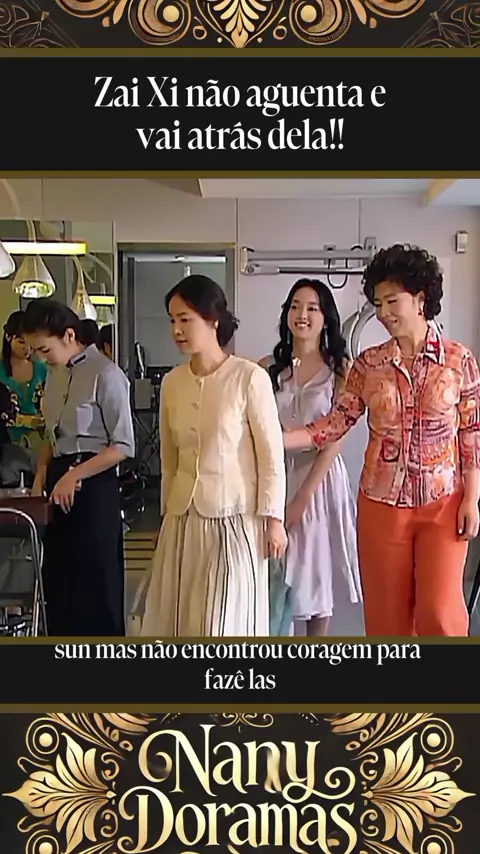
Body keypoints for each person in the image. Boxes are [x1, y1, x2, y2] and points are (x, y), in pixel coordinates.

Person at [283, 244, 480, 637]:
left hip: (442, 503)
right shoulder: (369, 364)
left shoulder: (459, 360)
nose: (384, 312)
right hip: (380, 505)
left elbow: (471, 433)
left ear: (421, 299)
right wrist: (280, 437)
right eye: (378, 303)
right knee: (387, 618)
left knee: (440, 614)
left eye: (393, 301)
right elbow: (335, 423)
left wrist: (472, 498)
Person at [132, 274, 287, 636]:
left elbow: (270, 455)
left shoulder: (249, 377)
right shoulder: (172, 383)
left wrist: (274, 520)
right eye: (173, 320)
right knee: (182, 621)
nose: (176, 330)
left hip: (235, 518)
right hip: (183, 520)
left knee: (222, 624)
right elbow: (169, 460)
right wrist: (164, 516)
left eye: (185, 319)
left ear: (213, 320)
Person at [22, 298, 136, 637]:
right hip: (57, 478)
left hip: (94, 481)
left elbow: (123, 445)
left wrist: (75, 474)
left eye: (45, 349)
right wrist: (41, 474)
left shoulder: (106, 374)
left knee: (95, 578)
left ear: (69, 335)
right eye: (35, 351)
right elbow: (50, 434)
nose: (41, 358)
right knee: (59, 577)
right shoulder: (54, 376)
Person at [260, 279, 362, 636]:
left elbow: (337, 435)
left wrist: (304, 496)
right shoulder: (268, 368)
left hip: (320, 477)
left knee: (316, 574)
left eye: (312, 308)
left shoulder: (341, 370)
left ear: (325, 317)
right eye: (295, 306)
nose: (302, 314)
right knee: (277, 570)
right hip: (277, 473)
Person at [0, 310, 48, 463]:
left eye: (30, 343)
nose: (26, 348)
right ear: (8, 337)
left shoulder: (43, 370)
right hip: (6, 442)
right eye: (21, 342)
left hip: (39, 442)